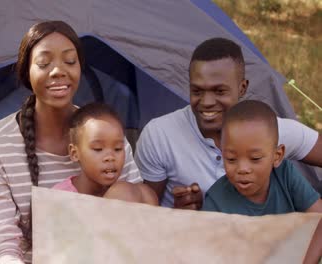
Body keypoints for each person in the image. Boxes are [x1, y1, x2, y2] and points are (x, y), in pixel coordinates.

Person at [0, 21, 142, 264]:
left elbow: (139, 212)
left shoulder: (107, 134)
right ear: (27, 72)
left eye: (70, 61)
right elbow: (6, 243)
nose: (58, 71)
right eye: (44, 63)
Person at [135, 37, 322, 209]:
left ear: (242, 88)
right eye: (197, 91)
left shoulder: (270, 131)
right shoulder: (159, 134)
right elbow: (146, 209)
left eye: (219, 91)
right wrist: (177, 214)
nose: (207, 102)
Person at [202, 100, 322, 263]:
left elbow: (319, 217)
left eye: (255, 158)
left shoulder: (284, 174)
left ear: (277, 156)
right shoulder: (215, 203)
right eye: (231, 159)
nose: (243, 169)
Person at [52, 102, 158, 206]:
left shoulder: (134, 196)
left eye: (117, 149)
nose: (110, 157)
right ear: (74, 153)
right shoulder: (60, 198)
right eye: (98, 149)